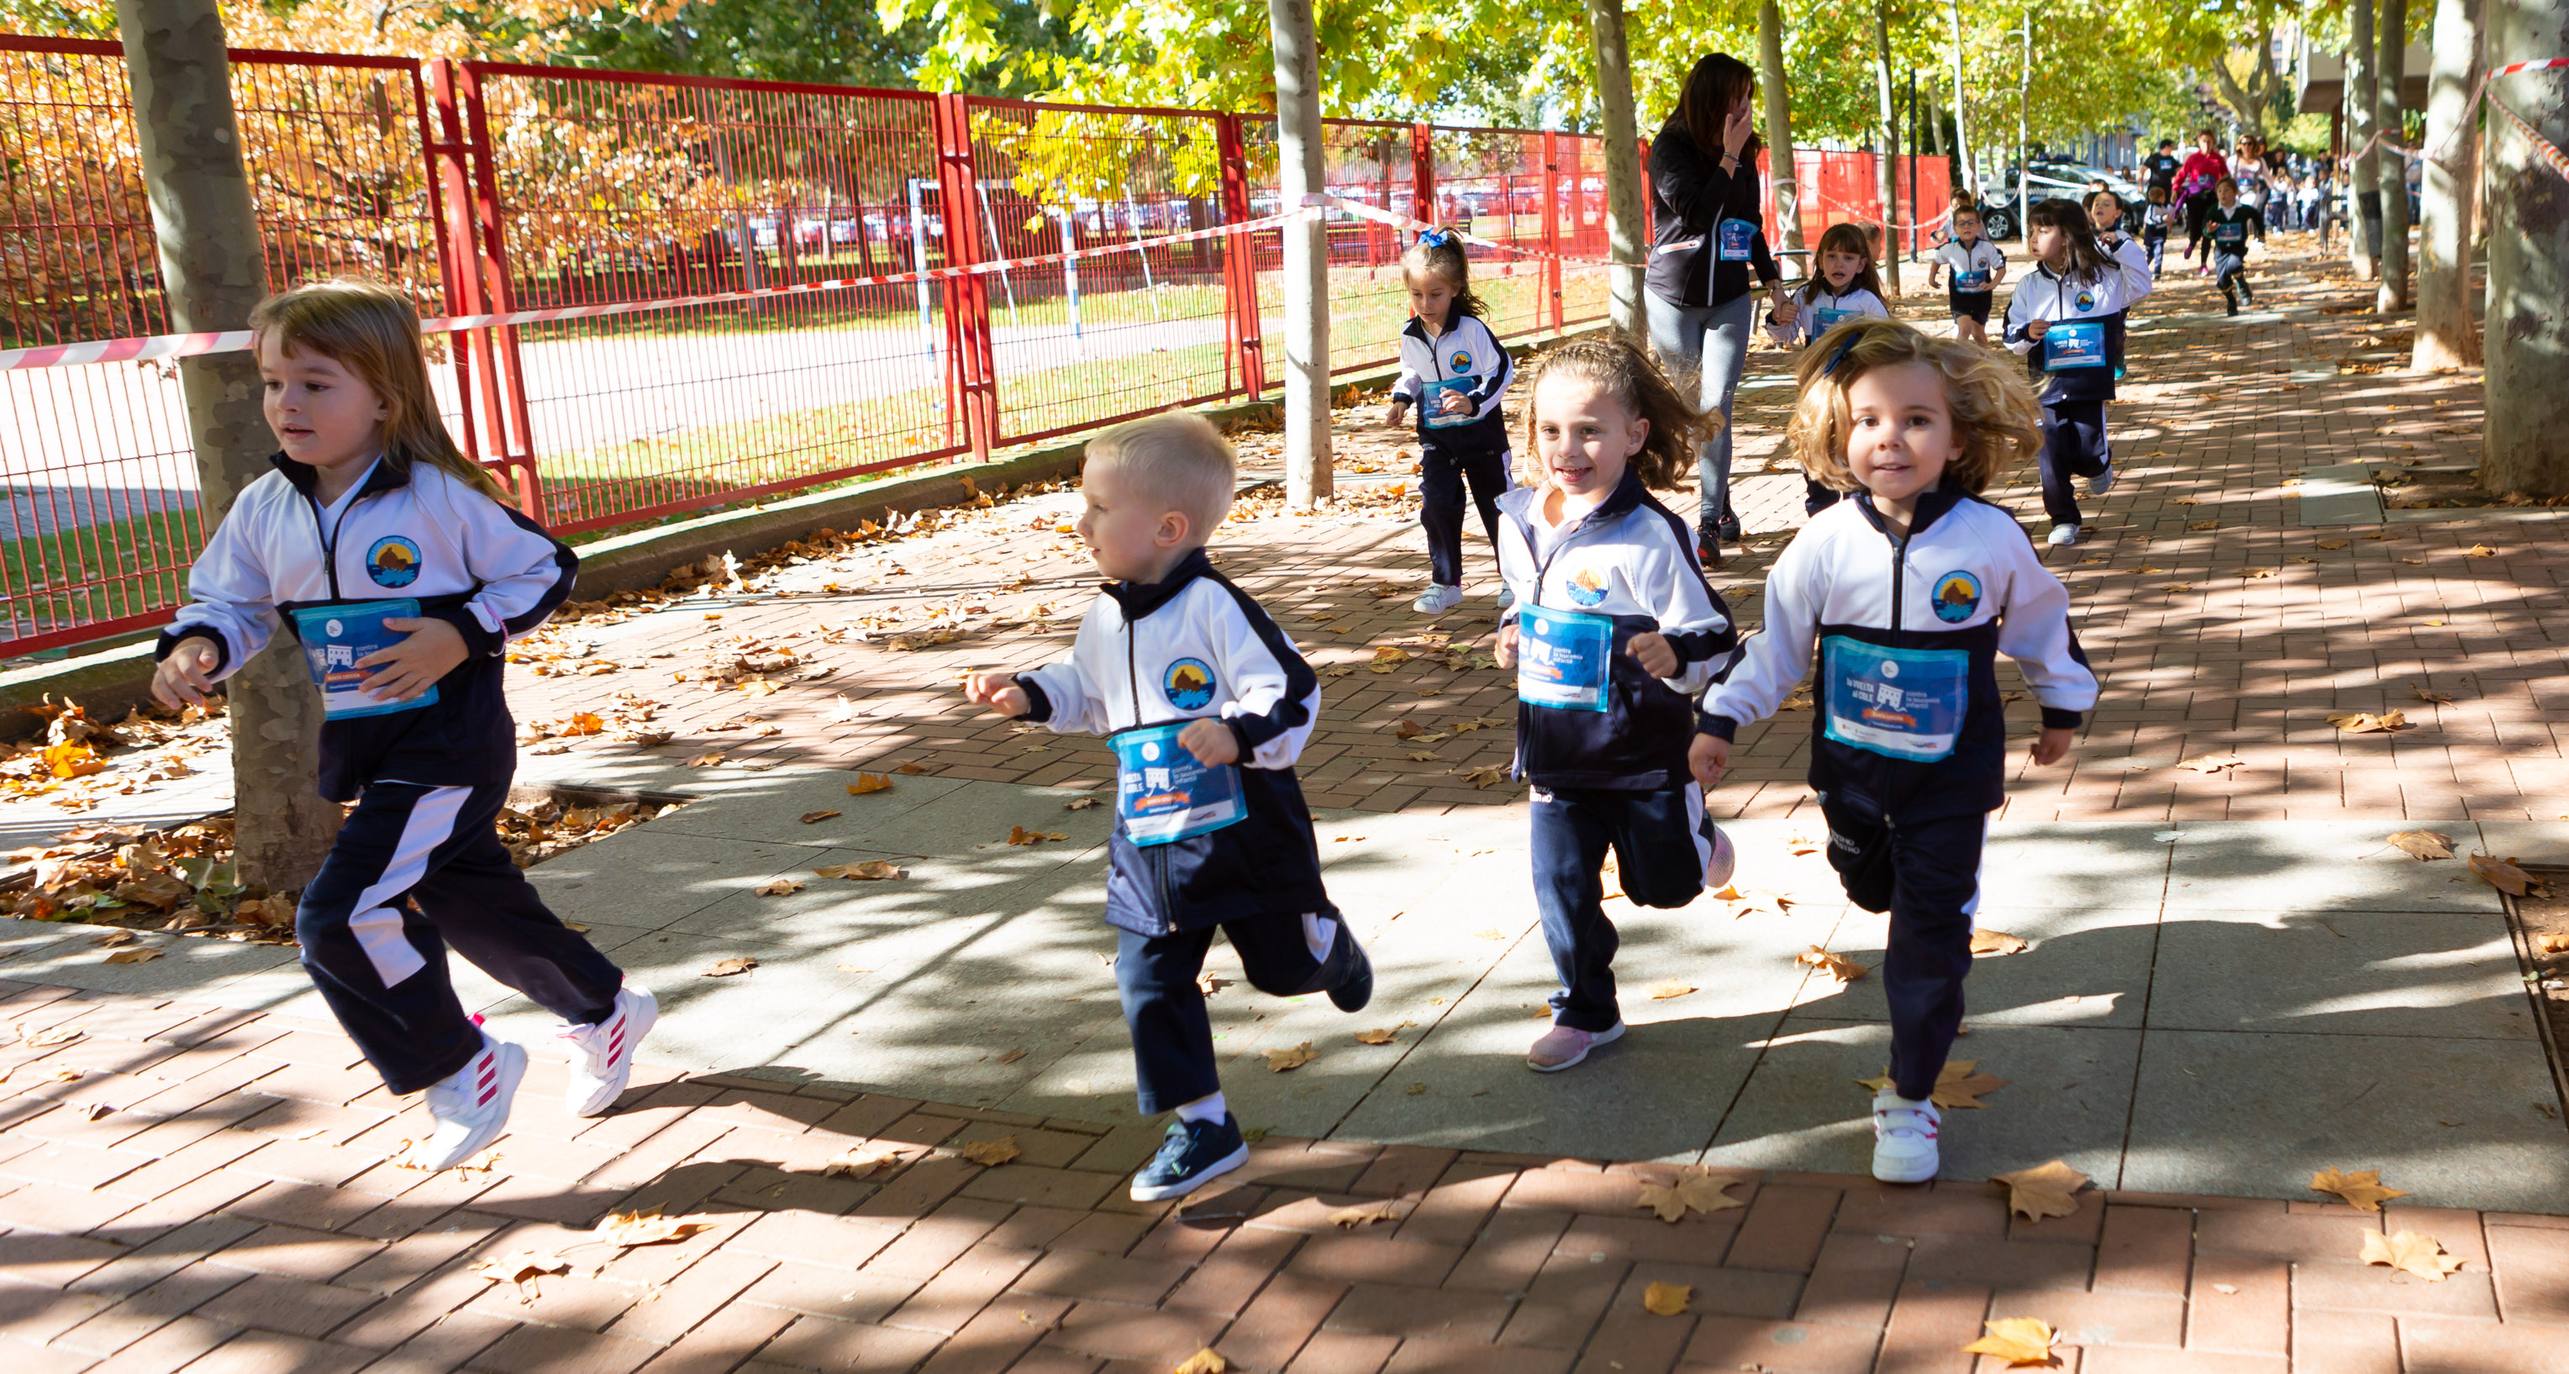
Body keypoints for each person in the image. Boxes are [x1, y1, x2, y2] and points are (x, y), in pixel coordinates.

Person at [149, 280, 653, 1172]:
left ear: (383, 396)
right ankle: (604, 1008)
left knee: (337, 916)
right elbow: (231, 602)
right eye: (273, 383)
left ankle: (460, 1063)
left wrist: (456, 634)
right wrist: (197, 648)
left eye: (315, 382)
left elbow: (542, 572)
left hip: (450, 746)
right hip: (365, 743)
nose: (287, 404)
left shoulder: (435, 497)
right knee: (468, 899)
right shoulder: (266, 506)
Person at [1688, 318, 2098, 1184]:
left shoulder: (1988, 539)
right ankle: (1877, 872)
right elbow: (1775, 647)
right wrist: (1720, 719)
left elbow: (2039, 626)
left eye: (1915, 419)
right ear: (1840, 436)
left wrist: (2060, 704)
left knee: (1928, 936)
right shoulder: (1822, 544)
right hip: (1851, 779)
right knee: (1869, 887)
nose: (1891, 438)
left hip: (1951, 779)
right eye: (1869, 419)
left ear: (1953, 437)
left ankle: (1908, 1099)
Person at [963, 411, 1373, 1202]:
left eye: (1098, 507)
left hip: (1245, 833)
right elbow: (1088, 693)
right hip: (1149, 840)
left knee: (1283, 973)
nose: (1080, 522)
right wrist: (1027, 694)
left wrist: (1235, 732)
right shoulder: (1105, 614)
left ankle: (1329, 952)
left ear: (1167, 527)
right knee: (1148, 978)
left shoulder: (1216, 607)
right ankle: (1204, 1124)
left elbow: (1291, 691)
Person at [1491, 335, 1738, 1072]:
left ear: (1632, 437)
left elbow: (1714, 634)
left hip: (1643, 754)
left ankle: (1700, 846)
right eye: (1549, 430)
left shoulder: (1652, 536)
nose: (1567, 448)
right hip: (1555, 754)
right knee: (1561, 889)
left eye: (1590, 430)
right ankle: (1585, 1013)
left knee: (1663, 888)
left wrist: (1678, 654)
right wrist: (1508, 631)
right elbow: (1520, 600)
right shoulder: (1518, 519)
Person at [1645, 52, 1795, 565]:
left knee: (1716, 412)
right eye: (1739, 94)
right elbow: (1696, 214)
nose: (1746, 104)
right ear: (1714, 97)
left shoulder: (1746, 152)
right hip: (1674, 299)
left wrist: (1774, 285)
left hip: (1730, 298)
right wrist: (1727, 158)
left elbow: (1746, 222)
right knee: (1693, 413)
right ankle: (1723, 498)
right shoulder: (1669, 148)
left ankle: (1708, 521)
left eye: (1750, 94)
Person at [2001, 199, 2149, 546]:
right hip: (2045, 386)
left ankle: (2099, 465)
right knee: (2050, 452)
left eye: (2043, 230)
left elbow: (2141, 284)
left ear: (2067, 237)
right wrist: (2027, 334)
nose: (2033, 238)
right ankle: (2063, 518)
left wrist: (2123, 246)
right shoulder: (2028, 286)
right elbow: (2010, 333)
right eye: (2032, 230)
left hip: (2088, 385)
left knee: (2086, 449)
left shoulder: (2104, 277)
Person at [1387, 228, 1514, 617]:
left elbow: (1502, 371)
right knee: (1438, 505)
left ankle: (1514, 577)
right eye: (1417, 295)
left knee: (1497, 507)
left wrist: (1473, 403)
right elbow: (1412, 371)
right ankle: (1445, 582)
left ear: (1455, 288)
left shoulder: (1472, 331)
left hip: (1482, 439)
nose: (1426, 303)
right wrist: (1402, 399)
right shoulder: (1410, 334)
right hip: (1437, 440)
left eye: (1435, 294)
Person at [1767, 222, 1893, 515]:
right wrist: (1777, 318)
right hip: (1816, 391)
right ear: (1820, 261)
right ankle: (1820, 510)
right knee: (1815, 446)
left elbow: (1890, 341)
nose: (1839, 264)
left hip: (1856, 393)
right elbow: (1784, 336)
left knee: (1853, 450)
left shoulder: (1868, 302)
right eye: (1832, 256)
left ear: (1861, 265)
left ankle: (1858, 509)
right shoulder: (1806, 296)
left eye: (1848, 258)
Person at [1929, 204, 2008, 347]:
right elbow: (1936, 260)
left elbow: (2001, 268)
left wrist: (1993, 284)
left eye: (1971, 223)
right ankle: (1958, 362)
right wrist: (1931, 278)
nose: (1967, 227)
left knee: (1978, 334)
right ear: (1954, 228)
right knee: (1964, 328)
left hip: (1982, 298)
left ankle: (1987, 362)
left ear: (1979, 226)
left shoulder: (1987, 248)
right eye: (1962, 223)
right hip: (1959, 298)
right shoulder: (1949, 249)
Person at [2195, 176, 2267, 315]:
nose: (2223, 194)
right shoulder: (2213, 211)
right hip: (2221, 250)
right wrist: (2209, 230)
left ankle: (2241, 284)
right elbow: (2205, 230)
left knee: (2234, 265)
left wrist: (2261, 234)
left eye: (2227, 190)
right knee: (2222, 281)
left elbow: (2257, 216)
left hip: (2237, 247)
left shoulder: (2243, 210)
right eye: (2220, 191)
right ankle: (2231, 301)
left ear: (2235, 192)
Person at [2173, 130, 2228, 265]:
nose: (2207, 144)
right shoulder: (2193, 158)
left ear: (2213, 142)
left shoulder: (2218, 158)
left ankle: (2203, 263)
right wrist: (2175, 190)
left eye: (2210, 141)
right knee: (2194, 226)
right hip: (2195, 198)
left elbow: (2226, 176)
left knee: (2208, 229)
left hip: (2212, 197)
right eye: (2204, 141)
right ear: (2199, 142)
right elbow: (2181, 175)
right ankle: (2192, 243)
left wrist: (2226, 192)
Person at [2140, 184, 2175, 274]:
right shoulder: (2152, 208)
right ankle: (2141, 269)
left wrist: (2169, 220)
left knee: (2159, 253)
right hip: (2151, 235)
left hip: (2160, 235)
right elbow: (2151, 218)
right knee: (2149, 254)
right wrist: (2161, 219)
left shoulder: (2163, 207)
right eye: (2163, 196)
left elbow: (2168, 215)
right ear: (2158, 197)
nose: (2164, 198)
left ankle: (2157, 272)